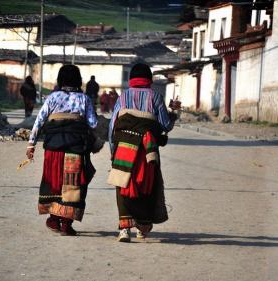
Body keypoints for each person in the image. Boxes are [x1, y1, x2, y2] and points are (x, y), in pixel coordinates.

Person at [108, 63, 177, 242]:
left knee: (122, 184)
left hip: (124, 147)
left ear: (132, 79)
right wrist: (173, 113)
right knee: (146, 186)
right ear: (149, 79)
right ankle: (142, 227)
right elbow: (165, 125)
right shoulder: (155, 97)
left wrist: (112, 150)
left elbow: (112, 125)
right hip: (147, 151)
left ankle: (124, 229)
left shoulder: (123, 96)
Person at [26, 65, 98, 236]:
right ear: (78, 80)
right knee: (73, 184)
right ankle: (66, 223)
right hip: (76, 148)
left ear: (60, 79)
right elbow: (93, 123)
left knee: (54, 182)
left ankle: (53, 219)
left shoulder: (52, 97)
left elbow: (39, 121)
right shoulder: (84, 99)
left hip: (53, 148)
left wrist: (31, 145)